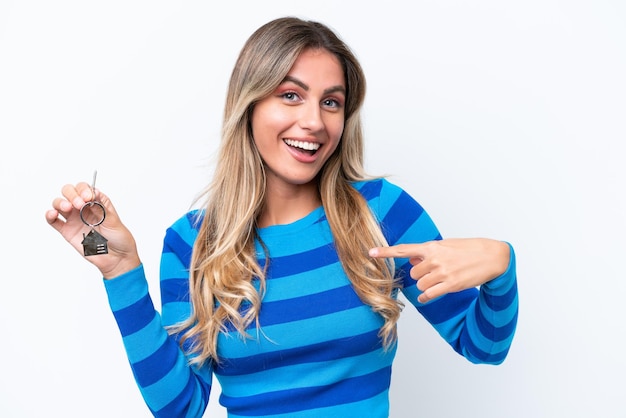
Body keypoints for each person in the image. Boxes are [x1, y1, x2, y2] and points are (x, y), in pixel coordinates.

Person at [46, 16, 518, 418]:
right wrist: (118, 269)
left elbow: (483, 346)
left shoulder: (382, 213)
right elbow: (180, 408)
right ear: (249, 106)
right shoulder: (191, 243)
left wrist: (502, 268)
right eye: (291, 95)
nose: (315, 120)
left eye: (330, 102)